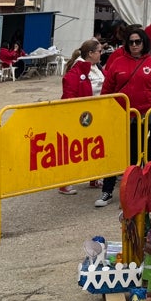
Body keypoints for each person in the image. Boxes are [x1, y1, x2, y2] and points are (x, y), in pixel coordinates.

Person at [96, 25, 151, 208]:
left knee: (145, 156)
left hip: (148, 117)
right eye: (131, 42)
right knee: (119, 154)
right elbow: (107, 91)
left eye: (138, 42)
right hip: (124, 117)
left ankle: (141, 190)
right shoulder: (117, 63)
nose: (134, 45)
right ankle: (107, 191)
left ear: (144, 43)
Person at [58, 38, 103, 195]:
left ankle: (93, 177)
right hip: (82, 117)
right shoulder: (77, 71)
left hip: (96, 114)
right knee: (74, 150)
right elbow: (69, 95)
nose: (101, 54)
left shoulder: (96, 68)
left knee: (93, 147)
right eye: (99, 51)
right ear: (90, 54)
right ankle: (64, 182)